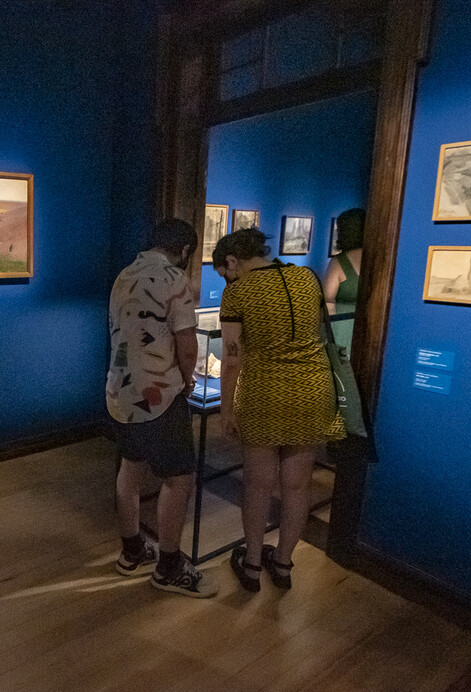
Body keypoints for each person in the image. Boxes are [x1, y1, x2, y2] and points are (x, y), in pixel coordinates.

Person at [211, 228, 344, 592]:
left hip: (265, 393)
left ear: (233, 260)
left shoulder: (238, 292)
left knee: (257, 485)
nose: (226, 279)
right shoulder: (306, 277)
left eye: (224, 272)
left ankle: (253, 564)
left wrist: (226, 408)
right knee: (297, 485)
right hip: (313, 391)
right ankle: (283, 564)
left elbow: (232, 357)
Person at [106, 218, 218, 598]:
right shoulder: (174, 279)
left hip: (119, 392)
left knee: (130, 467)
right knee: (179, 478)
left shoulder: (124, 274)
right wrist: (187, 380)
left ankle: (132, 550)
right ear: (185, 250)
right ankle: (169, 567)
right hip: (158, 395)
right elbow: (188, 346)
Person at [322, 208, 365, 357]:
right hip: (368, 329)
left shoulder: (338, 263)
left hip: (341, 329)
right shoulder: (379, 259)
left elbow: (327, 299)